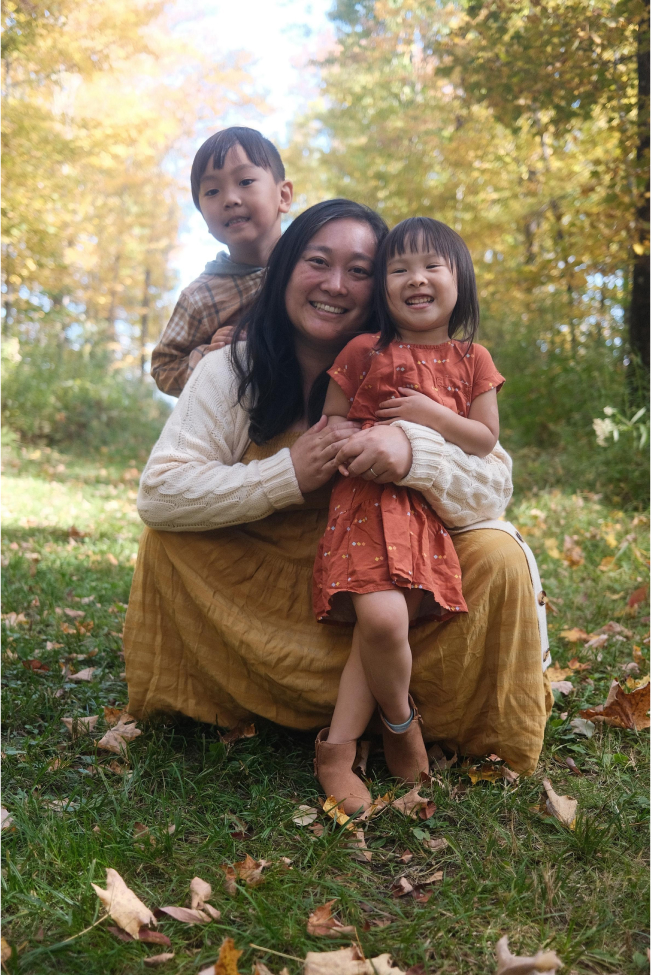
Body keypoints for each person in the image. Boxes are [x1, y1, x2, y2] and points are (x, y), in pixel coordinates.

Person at [126, 200, 552, 816]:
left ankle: (394, 715)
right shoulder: (230, 368)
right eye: (317, 263)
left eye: (359, 270)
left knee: (498, 554)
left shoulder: (425, 365)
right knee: (169, 536)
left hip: (390, 584)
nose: (334, 285)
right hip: (278, 590)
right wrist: (286, 474)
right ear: (283, 271)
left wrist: (413, 452)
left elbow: (493, 490)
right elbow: (159, 493)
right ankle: (324, 715)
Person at [312, 218, 505, 808]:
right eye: (399, 269)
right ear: (384, 288)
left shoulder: (474, 359)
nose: (415, 279)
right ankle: (401, 725)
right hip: (365, 508)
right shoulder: (363, 351)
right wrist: (352, 444)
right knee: (384, 623)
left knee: (376, 637)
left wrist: (431, 415)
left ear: (459, 280)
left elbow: (483, 440)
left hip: (425, 516)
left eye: (431, 267)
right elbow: (332, 425)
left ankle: (336, 749)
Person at [150, 127, 293, 396]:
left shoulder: (311, 267)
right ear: (203, 217)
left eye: (246, 181)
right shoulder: (201, 296)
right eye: (213, 191)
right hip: (242, 426)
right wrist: (209, 356)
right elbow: (163, 367)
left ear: (283, 196)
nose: (230, 199)